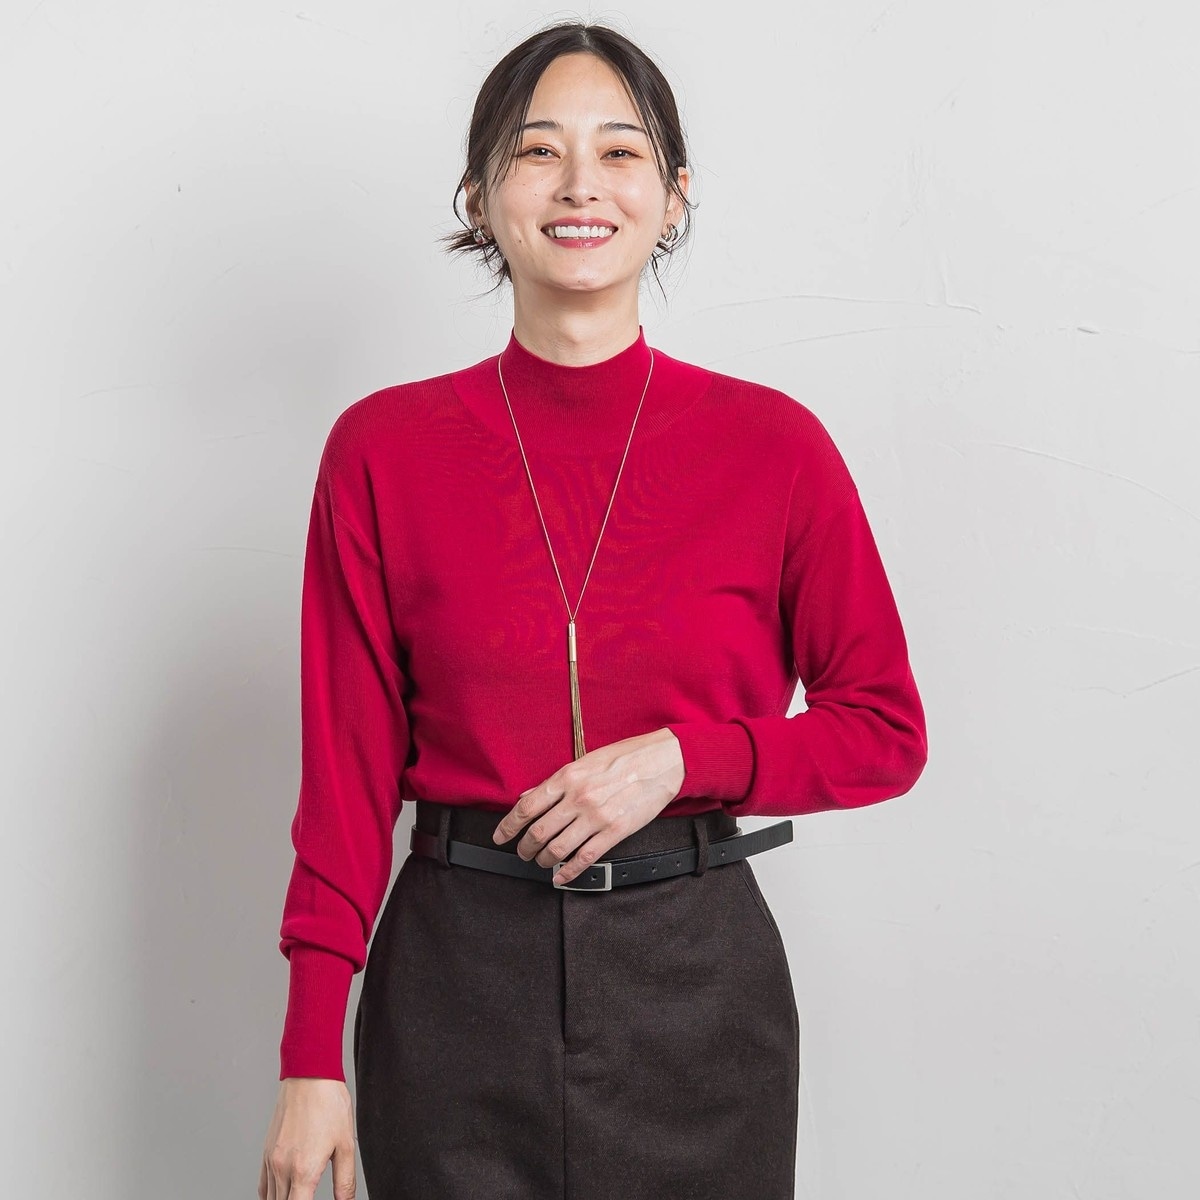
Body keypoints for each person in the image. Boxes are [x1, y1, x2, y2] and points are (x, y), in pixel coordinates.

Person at [258, 19, 927, 1200]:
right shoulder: (383, 450)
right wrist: (311, 1055)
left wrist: (685, 758)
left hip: (698, 989)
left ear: (674, 198)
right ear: (479, 196)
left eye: (621, 152)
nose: (580, 185)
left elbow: (884, 729)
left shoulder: (774, 447)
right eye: (538, 151)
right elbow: (346, 778)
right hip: (455, 985)